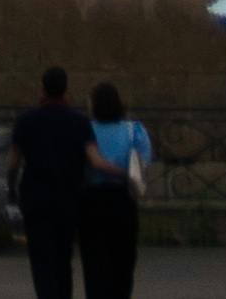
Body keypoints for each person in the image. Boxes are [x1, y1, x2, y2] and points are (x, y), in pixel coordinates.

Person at [9, 65, 98, 299]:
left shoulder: (26, 120)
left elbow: (14, 162)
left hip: (36, 198)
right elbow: (92, 159)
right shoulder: (79, 121)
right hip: (68, 198)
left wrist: (11, 190)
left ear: (43, 88)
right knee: (62, 257)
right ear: (65, 89)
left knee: (41, 260)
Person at [82, 82, 154, 299]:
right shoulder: (134, 131)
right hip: (122, 199)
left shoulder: (86, 130)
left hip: (91, 200)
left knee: (94, 262)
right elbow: (144, 162)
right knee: (123, 259)